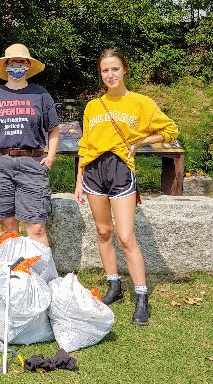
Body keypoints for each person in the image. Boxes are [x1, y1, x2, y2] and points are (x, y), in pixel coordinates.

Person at [74, 48, 178, 325]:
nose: (110, 74)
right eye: (105, 70)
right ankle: (114, 286)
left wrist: (140, 142)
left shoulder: (140, 103)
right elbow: (85, 146)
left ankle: (141, 295)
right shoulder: (93, 106)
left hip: (121, 170)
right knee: (103, 231)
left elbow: (170, 130)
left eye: (115, 69)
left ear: (124, 71)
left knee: (125, 236)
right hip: (94, 172)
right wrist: (78, 181)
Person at [0, 43, 60, 246]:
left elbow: (54, 129)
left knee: (36, 227)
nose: (17, 66)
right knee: (7, 226)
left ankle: (42, 275)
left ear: (28, 65)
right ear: (5, 65)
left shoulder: (41, 95)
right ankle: (12, 274)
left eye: (22, 62)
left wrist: (50, 156)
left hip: (32, 164)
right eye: (13, 62)